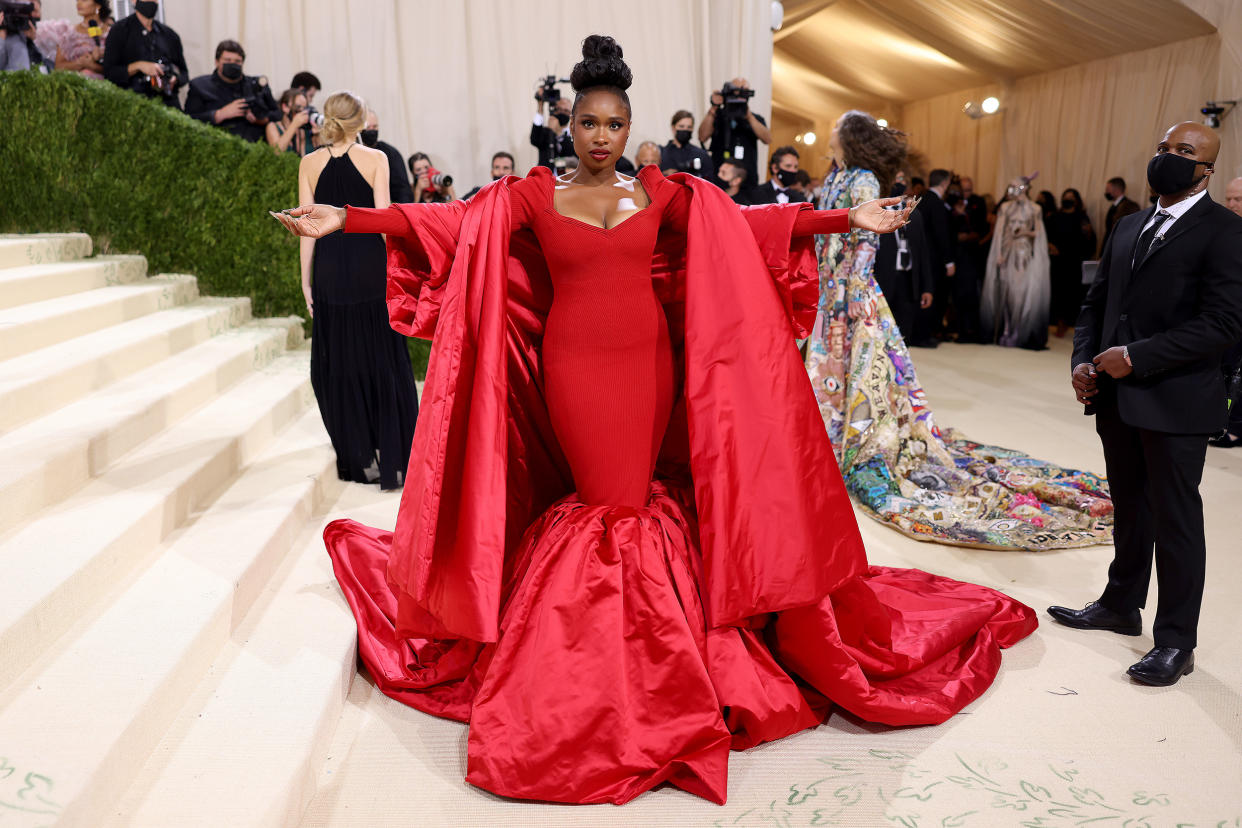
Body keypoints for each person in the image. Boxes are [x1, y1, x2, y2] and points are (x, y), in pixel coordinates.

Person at [274, 35, 1036, 807]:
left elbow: (748, 226)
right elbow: (444, 225)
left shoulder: (661, 194)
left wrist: (843, 219)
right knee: (607, 508)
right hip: (574, 369)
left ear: (627, 126)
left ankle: (650, 671)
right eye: (588, 124)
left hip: (649, 367)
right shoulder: (534, 195)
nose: (600, 137)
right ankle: (608, 685)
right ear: (568, 127)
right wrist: (350, 221)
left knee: (634, 503)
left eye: (613, 124)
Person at [805, 110, 1109, 553]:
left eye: (836, 127)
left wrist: (853, 289)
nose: (829, 131)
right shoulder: (835, 175)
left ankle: (853, 437)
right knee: (830, 368)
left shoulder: (865, 179)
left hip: (852, 293)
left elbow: (868, 239)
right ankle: (827, 431)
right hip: (829, 290)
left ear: (848, 137)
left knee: (865, 372)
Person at [1053, 121, 1242, 686]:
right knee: (1130, 508)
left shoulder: (1226, 232)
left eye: (1184, 152)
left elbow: (1225, 324)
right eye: (1163, 148)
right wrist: (1082, 361)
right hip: (1117, 398)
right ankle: (1120, 603)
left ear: (1206, 168)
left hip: (1178, 399)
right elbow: (1096, 304)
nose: (1169, 158)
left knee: (1177, 521)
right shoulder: (1129, 224)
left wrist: (1136, 356)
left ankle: (1177, 641)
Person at [289, 90, 419, 490]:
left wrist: (305, 281)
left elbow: (307, 229)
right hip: (370, 269)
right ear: (361, 122)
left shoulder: (308, 163)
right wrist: (400, 274)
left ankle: (357, 454)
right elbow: (381, 223)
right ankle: (393, 451)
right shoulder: (376, 159)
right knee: (382, 359)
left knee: (338, 365)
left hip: (330, 270)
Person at [981, 175, 1050, 349]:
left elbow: (1039, 233)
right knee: (1007, 292)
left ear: (1025, 188)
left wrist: (1025, 232)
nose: (1012, 190)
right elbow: (999, 233)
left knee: (1020, 293)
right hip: (1007, 253)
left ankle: (1018, 331)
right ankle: (1006, 330)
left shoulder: (1035, 209)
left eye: (1015, 186)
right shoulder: (1005, 207)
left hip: (1024, 255)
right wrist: (999, 254)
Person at [184, 39, 279, 143]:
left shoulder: (256, 85)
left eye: (237, 61)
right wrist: (219, 114)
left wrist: (260, 120)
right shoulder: (200, 86)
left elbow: (278, 114)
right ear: (217, 62)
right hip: (215, 145)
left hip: (255, 145)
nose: (232, 64)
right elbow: (188, 119)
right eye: (227, 60)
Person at [101, 0, 186, 107]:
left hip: (167, 103)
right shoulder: (119, 30)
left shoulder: (170, 35)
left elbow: (184, 73)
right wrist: (138, 66)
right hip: (132, 103)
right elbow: (109, 72)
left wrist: (175, 79)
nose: (151, 1)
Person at [698, 76, 770, 187]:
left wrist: (749, 116)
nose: (739, 95)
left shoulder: (755, 118)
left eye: (743, 91)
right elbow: (702, 137)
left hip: (747, 179)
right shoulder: (718, 116)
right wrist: (714, 108)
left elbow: (767, 139)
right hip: (720, 176)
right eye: (736, 90)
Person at [912, 168, 954, 346]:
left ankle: (921, 332)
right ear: (944, 183)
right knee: (933, 295)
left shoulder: (922, 199)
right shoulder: (936, 203)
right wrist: (949, 261)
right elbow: (941, 234)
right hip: (934, 258)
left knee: (923, 293)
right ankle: (927, 333)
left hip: (920, 255)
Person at [1046, 188, 1096, 337]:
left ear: (1076, 201)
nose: (1067, 200)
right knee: (1057, 293)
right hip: (1057, 262)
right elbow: (1045, 236)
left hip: (1073, 262)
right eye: (1065, 197)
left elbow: (1089, 240)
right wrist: (1049, 245)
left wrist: (1088, 233)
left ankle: (1067, 323)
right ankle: (1057, 322)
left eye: (1070, 198)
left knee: (1071, 294)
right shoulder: (1054, 216)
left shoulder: (1082, 217)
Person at [33, 0, 111, 78]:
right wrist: (80, 63)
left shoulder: (110, 33)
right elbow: (58, 67)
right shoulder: (69, 33)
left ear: (98, 5)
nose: (79, 3)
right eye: (77, 0)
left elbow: (117, 67)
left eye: (84, 0)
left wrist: (93, 65)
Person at [360, 108, 414, 204]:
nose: (372, 131)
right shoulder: (353, 153)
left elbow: (402, 189)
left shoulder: (391, 153)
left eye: (375, 127)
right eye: (368, 128)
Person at [741, 144, 806, 205]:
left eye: (796, 167)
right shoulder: (755, 194)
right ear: (775, 168)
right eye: (788, 166)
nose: (793, 170)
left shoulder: (801, 199)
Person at [660, 109, 713, 178]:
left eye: (689, 127)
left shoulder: (701, 154)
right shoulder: (662, 153)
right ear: (673, 128)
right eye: (681, 126)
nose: (685, 130)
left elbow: (709, 180)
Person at [531, 94, 574, 170]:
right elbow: (534, 139)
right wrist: (540, 108)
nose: (562, 112)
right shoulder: (547, 132)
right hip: (544, 177)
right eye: (559, 109)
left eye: (566, 110)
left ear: (571, 114)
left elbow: (574, 157)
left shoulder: (574, 134)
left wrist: (559, 133)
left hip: (566, 178)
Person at [266, 88, 313, 156]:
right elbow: (277, 152)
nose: (302, 111)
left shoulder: (306, 128)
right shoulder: (273, 127)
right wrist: (294, 125)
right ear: (285, 107)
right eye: (298, 107)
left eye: (304, 108)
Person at [1100, 176, 1141, 254]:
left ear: (1116, 189)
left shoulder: (1130, 206)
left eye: (1107, 189)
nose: (1106, 192)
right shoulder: (1114, 206)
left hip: (1120, 251)